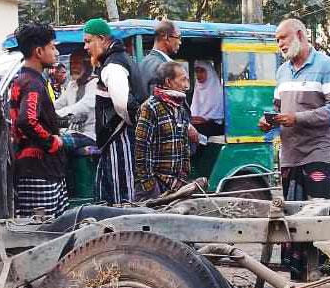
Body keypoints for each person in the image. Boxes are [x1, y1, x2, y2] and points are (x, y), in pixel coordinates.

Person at [260, 18, 330, 201]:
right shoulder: (282, 71)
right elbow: (277, 108)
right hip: (289, 155)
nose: (280, 44)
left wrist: (297, 118)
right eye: (277, 40)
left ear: (299, 35)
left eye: (283, 38)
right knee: (290, 215)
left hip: (317, 153)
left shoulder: (326, 66)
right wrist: (268, 121)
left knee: (315, 215)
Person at [83, 17, 147, 204]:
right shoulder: (117, 59)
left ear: (102, 39)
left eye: (88, 41)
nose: (86, 47)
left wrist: (134, 124)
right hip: (120, 136)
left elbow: (123, 105)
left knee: (123, 194)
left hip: (120, 137)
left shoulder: (113, 65)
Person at [7, 22, 67, 218]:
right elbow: (26, 120)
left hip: (39, 169)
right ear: (39, 51)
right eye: (52, 47)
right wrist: (52, 142)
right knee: (44, 233)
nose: (56, 52)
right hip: (38, 172)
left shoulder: (25, 78)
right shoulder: (32, 83)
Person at [134, 61, 196, 199]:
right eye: (183, 80)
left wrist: (184, 174)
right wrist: (150, 186)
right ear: (168, 82)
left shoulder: (179, 109)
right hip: (155, 187)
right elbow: (141, 150)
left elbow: (184, 145)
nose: (187, 86)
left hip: (176, 185)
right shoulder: (150, 108)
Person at [56, 50, 97, 147]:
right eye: (71, 63)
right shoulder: (72, 85)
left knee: (56, 144)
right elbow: (59, 103)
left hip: (89, 136)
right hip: (71, 132)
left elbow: (83, 106)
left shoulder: (95, 84)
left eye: (78, 63)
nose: (74, 66)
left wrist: (57, 114)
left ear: (87, 65)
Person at [140, 19, 182, 95]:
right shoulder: (165, 67)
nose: (180, 42)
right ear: (166, 37)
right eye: (178, 37)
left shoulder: (142, 63)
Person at [190, 61, 225, 137]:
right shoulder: (198, 88)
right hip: (198, 124)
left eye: (202, 71)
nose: (198, 75)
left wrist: (204, 119)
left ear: (209, 73)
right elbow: (194, 110)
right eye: (197, 71)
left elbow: (218, 115)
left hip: (214, 126)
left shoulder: (217, 91)